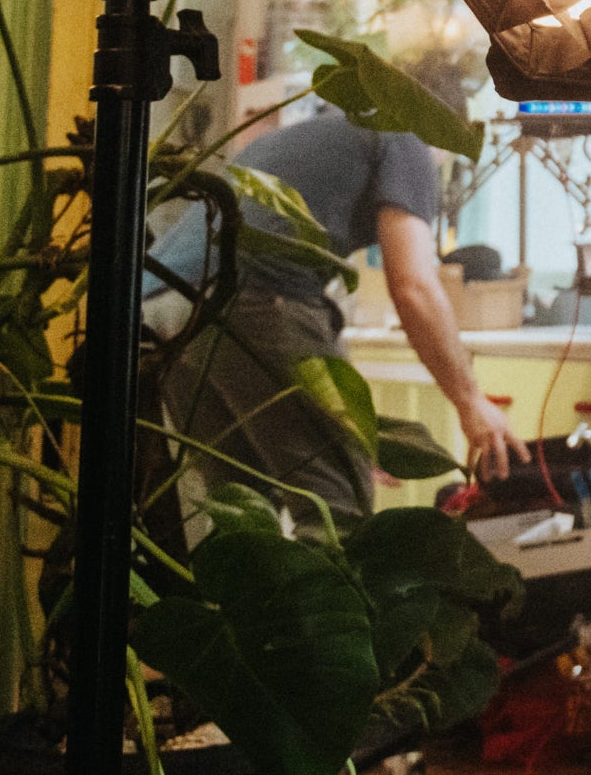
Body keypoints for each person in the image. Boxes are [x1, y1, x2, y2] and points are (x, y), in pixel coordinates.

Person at [150, 54, 529, 525]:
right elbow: (413, 285)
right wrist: (471, 402)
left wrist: (345, 431)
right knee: (335, 514)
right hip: (252, 301)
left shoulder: (298, 137)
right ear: (443, 125)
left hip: (166, 311)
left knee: (242, 517)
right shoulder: (408, 137)